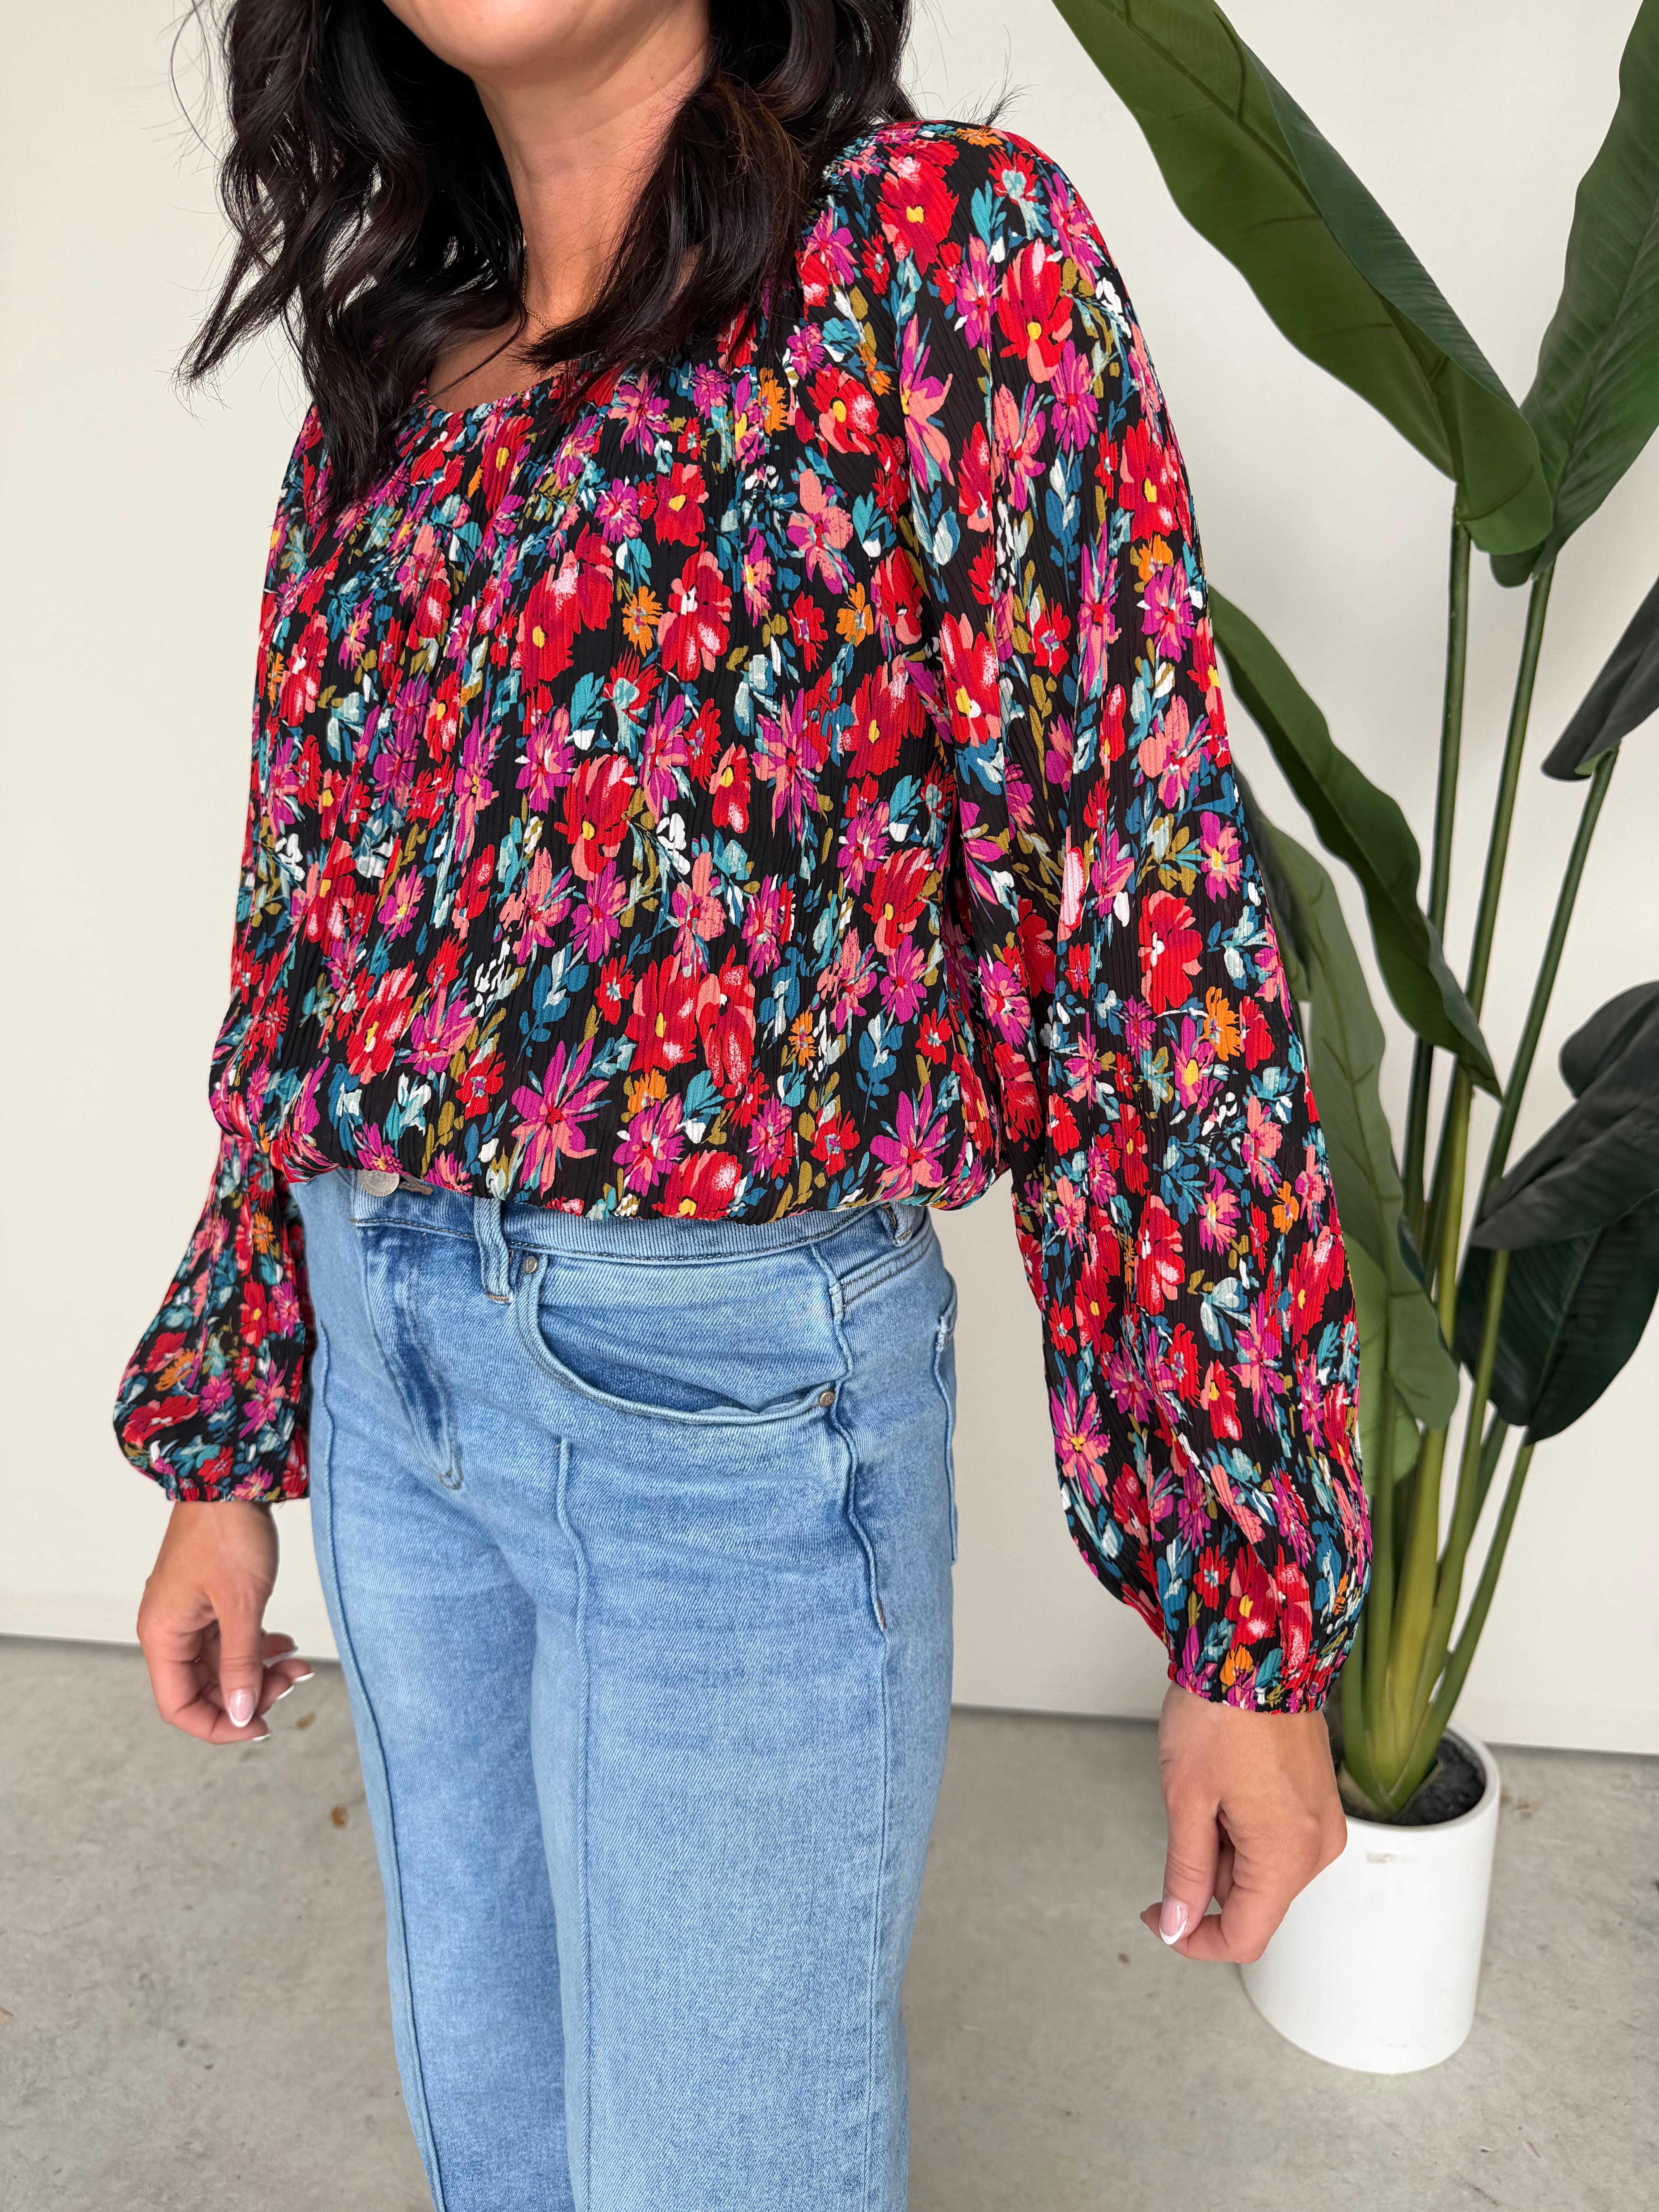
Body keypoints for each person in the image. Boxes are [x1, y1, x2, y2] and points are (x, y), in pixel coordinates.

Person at [118, 2, 1370, 2206]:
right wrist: (227, 1449)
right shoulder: (396, 374)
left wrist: (1244, 1620)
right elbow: (310, 943)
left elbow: (1138, 922)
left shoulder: (939, 257)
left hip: (724, 1429)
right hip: (387, 1394)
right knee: (497, 2132)